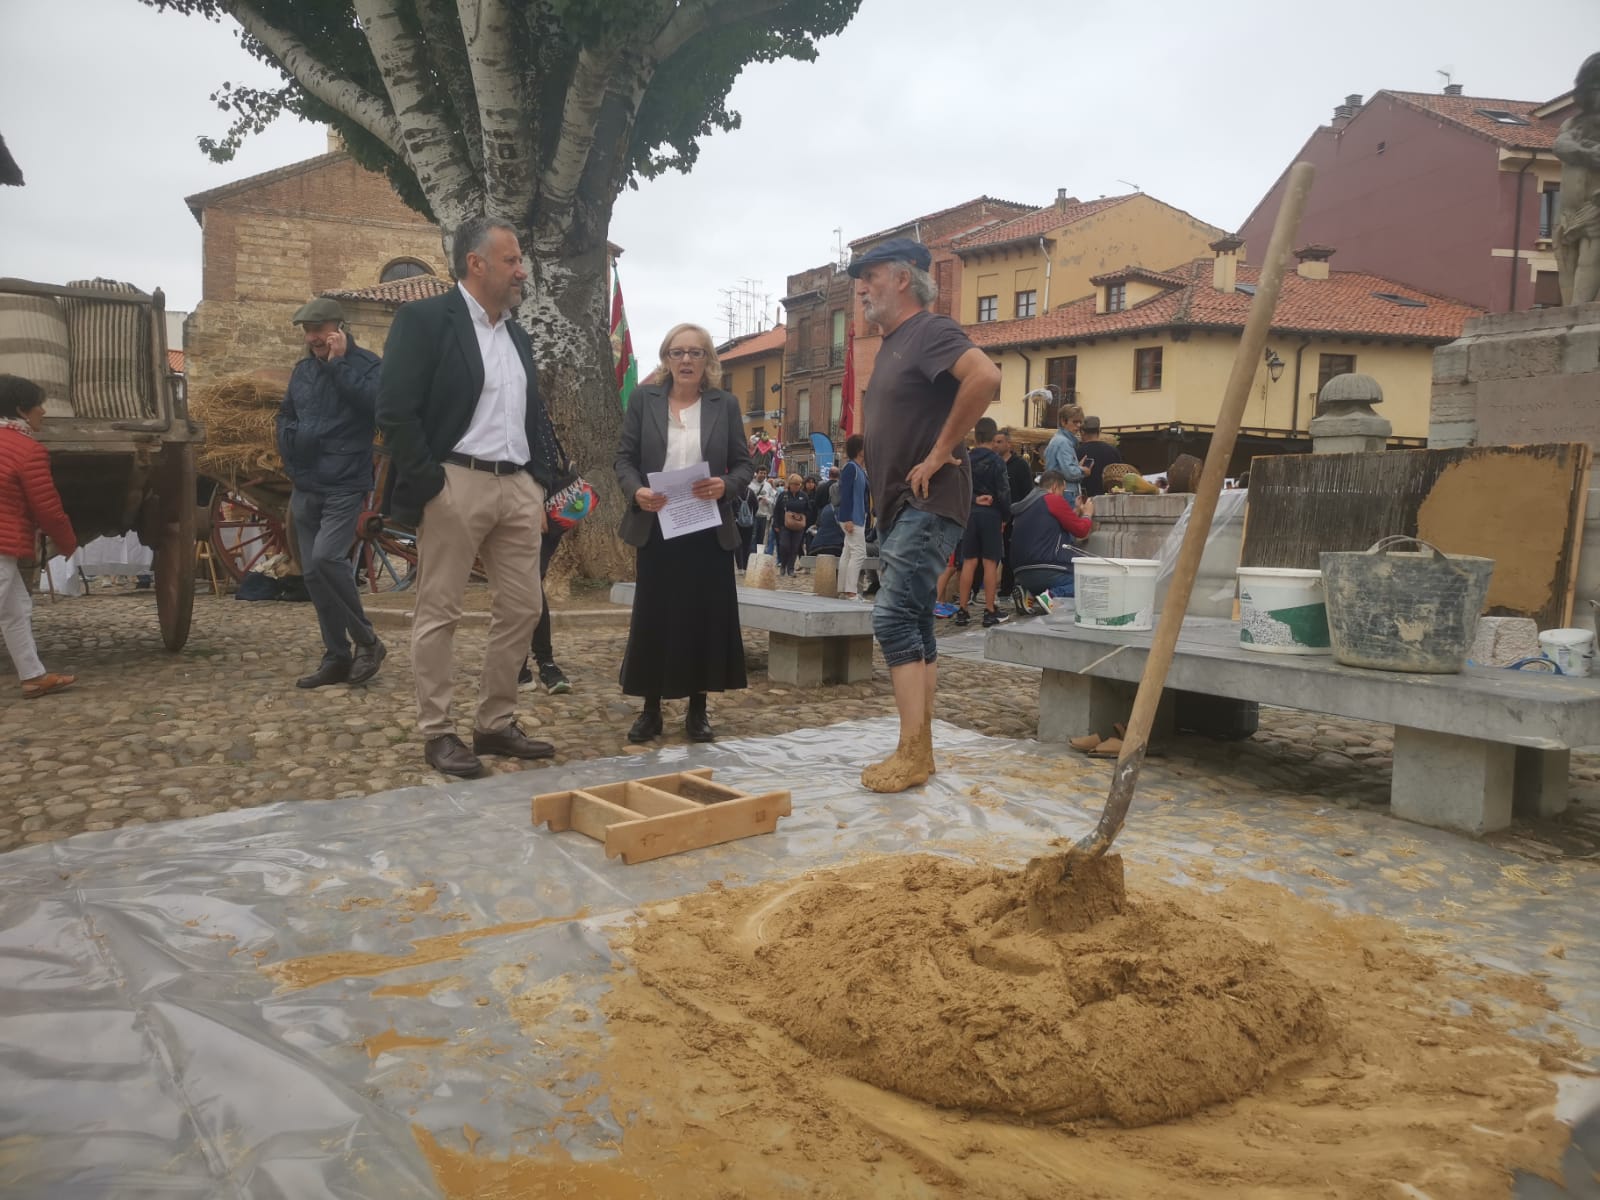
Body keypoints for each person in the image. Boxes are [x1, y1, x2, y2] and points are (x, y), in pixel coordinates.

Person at [377, 215, 565, 777]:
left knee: (524, 607)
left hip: (517, 486)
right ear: (475, 263)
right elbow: (395, 411)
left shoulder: (517, 335)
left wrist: (535, 482)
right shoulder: (424, 320)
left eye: (520, 260)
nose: (522, 270)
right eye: (511, 260)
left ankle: (494, 723)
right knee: (440, 610)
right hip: (455, 482)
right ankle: (437, 731)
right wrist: (432, 485)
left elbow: (530, 416)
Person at [851, 236, 1001, 793]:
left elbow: (985, 376)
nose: (861, 289)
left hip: (928, 501)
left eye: (870, 276)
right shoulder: (894, 343)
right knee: (913, 619)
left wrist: (940, 452)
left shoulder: (930, 330)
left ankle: (911, 752)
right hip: (902, 505)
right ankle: (922, 750)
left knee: (892, 617)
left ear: (903, 279)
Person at [615, 322, 752, 743]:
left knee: (702, 619)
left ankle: (698, 710)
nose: (686, 360)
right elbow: (624, 459)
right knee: (654, 617)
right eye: (678, 352)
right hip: (657, 525)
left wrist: (725, 485)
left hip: (707, 528)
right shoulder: (644, 400)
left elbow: (744, 465)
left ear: (708, 360)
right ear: (666, 359)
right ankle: (650, 710)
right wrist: (636, 490)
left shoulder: (724, 405)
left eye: (695, 352)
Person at [275, 297, 387, 690]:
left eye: (318, 330)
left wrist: (339, 365)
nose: (312, 338)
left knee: (326, 558)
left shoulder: (368, 366)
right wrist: (289, 450)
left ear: (339, 329)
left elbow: (375, 408)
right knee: (312, 573)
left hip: (344, 481)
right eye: (307, 331)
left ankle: (368, 642)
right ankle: (336, 656)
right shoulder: (303, 370)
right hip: (306, 482)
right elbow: (286, 414)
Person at [0, 375, 78, 698]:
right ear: (21, 410)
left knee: (16, 608)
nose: (43, 412)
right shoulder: (27, 450)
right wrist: (68, 542)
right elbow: (47, 508)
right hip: (2, 543)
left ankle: (33, 676)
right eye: (38, 405)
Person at [953, 416, 1011, 628]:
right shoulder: (997, 461)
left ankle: (962, 610)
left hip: (970, 514)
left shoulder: (966, 459)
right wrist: (1005, 516)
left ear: (976, 436)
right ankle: (989, 610)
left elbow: (958, 489)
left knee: (968, 562)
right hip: (991, 515)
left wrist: (974, 500)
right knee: (990, 563)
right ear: (993, 437)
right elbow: (1004, 492)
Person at [1010, 469, 1094, 608]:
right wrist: (1087, 514)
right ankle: (1051, 596)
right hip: (1049, 569)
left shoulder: (1025, 505)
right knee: (1089, 581)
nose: (1063, 495)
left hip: (1021, 573)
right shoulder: (1052, 499)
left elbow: (1049, 526)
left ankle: (1029, 595)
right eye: (1063, 491)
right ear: (1055, 487)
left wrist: (1076, 512)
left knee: (1040, 582)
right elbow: (1081, 530)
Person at [1555, 53, 1600, 305]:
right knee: (1567, 265)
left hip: (1595, 207)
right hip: (1568, 212)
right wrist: (1588, 153)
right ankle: (1570, 314)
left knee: (1591, 256)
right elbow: (1561, 145)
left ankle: (1578, 312)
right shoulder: (1573, 124)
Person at [516, 528, 572, 694]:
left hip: (545, 518)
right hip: (509, 516)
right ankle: (522, 665)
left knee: (530, 579)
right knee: (523, 582)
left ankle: (543, 662)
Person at [992, 428, 1034, 596]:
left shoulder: (1020, 465)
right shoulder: (992, 464)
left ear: (1009, 444)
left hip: (1015, 517)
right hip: (994, 515)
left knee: (1011, 554)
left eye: (999, 442)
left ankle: (1008, 589)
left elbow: (1028, 492)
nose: (995, 445)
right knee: (993, 555)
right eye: (994, 442)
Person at [835, 434, 870, 600]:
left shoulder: (859, 469)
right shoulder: (851, 468)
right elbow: (846, 494)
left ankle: (844, 589)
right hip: (852, 518)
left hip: (856, 517)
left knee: (848, 552)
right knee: (859, 553)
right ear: (859, 450)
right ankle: (851, 591)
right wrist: (848, 518)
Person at [1044, 404, 1089, 502]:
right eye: (1075, 422)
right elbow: (1070, 473)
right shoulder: (1063, 442)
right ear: (1063, 422)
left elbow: (1061, 468)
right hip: (1066, 494)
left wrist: (1077, 466)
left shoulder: (1058, 440)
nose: (1078, 425)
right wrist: (1083, 470)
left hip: (1058, 492)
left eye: (1080, 422)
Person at [772, 473, 810, 576]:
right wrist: (776, 524)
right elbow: (776, 510)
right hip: (784, 525)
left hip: (798, 526)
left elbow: (808, 510)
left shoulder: (803, 496)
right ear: (790, 484)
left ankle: (791, 568)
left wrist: (801, 516)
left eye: (798, 484)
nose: (796, 486)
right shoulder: (783, 495)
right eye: (794, 484)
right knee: (784, 545)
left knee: (795, 547)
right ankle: (783, 565)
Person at [1077, 415, 1123, 497]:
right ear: (1099, 431)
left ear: (1082, 432)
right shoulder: (1113, 451)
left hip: (1086, 500)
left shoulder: (1078, 452)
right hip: (1109, 498)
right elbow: (1120, 476)